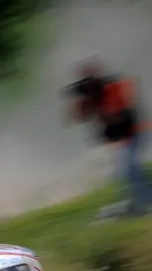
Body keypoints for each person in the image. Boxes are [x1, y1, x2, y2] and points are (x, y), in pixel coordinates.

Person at [65, 58, 152, 217]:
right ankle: (136, 202)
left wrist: (95, 105)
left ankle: (147, 202)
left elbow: (115, 117)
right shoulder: (95, 96)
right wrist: (82, 104)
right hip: (123, 137)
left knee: (130, 168)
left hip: (137, 131)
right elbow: (73, 120)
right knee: (123, 171)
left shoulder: (112, 88)